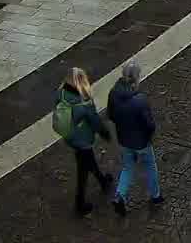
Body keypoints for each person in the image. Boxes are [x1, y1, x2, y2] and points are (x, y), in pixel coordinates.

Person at [54, 67, 112, 216]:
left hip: (69, 135)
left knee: (88, 160)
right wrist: (105, 134)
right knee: (83, 169)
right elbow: (95, 122)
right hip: (83, 138)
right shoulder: (84, 102)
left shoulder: (61, 92)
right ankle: (80, 203)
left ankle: (103, 181)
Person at [107, 60, 162, 214]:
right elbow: (150, 125)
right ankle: (155, 195)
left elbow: (111, 116)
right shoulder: (140, 100)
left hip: (124, 140)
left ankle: (120, 195)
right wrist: (149, 136)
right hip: (142, 142)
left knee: (127, 168)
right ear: (136, 78)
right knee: (150, 166)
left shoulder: (113, 94)